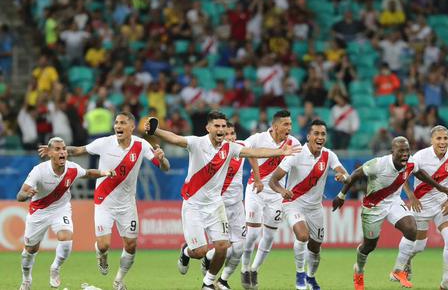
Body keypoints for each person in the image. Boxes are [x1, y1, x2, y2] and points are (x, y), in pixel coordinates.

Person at [146, 111, 300, 290]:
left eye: (223, 127)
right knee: (200, 252)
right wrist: (156, 131)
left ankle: (209, 283)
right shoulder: (197, 143)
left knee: (223, 247)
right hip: (193, 205)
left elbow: (254, 152)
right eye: (217, 126)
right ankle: (186, 251)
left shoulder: (230, 148)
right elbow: (175, 138)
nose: (220, 130)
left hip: (215, 205)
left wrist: (279, 152)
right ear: (208, 128)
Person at [38, 112, 171, 290]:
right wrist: (58, 151)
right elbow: (79, 150)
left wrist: (162, 159)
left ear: (132, 127)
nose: (118, 126)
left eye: (123, 123)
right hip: (104, 202)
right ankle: (102, 255)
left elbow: (165, 168)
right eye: (116, 123)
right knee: (104, 244)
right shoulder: (104, 143)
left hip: (127, 205)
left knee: (131, 246)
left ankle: (118, 281)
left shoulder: (141, 145)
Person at [332, 137, 448, 289]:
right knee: (369, 246)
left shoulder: (410, 162)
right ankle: (359, 271)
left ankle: (398, 270)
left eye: (407, 151)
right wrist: (341, 196)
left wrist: (440, 187)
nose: (405, 154)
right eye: (401, 151)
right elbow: (356, 174)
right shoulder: (379, 164)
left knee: (411, 229)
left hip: (394, 202)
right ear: (392, 152)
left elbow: (419, 173)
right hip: (373, 207)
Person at [18, 137, 115, 290]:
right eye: (57, 149)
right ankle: (26, 279)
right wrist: (27, 194)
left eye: (63, 148)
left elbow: (88, 173)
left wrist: (105, 172)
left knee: (66, 241)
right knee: (30, 250)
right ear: (50, 153)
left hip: (60, 209)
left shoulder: (72, 168)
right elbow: (20, 195)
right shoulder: (39, 171)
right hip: (39, 212)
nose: (62, 152)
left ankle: (55, 268)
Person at [269, 120, 349, 290]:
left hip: (315, 208)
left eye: (323, 134)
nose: (320, 137)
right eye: (316, 134)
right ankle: (300, 274)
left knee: (316, 246)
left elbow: (345, 174)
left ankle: (311, 278)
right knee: (303, 236)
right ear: (308, 136)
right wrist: (282, 191)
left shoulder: (329, 155)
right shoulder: (296, 154)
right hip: (293, 203)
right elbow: (273, 181)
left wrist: (343, 177)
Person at [240, 110, 301, 289]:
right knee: (252, 234)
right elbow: (245, 150)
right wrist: (258, 178)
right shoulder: (258, 138)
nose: (289, 128)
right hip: (255, 190)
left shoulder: (294, 143)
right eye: (285, 124)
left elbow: (300, 165)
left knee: (269, 236)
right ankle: (244, 268)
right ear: (275, 126)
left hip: (276, 194)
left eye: (290, 124)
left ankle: (254, 270)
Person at [401, 125, 448, 290]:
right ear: (432, 140)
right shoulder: (420, 157)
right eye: (439, 138)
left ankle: (446, 281)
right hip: (421, 205)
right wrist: (412, 196)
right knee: (419, 247)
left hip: (441, 204)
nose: (443, 142)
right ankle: (407, 260)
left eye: (445, 138)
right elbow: (404, 177)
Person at [200, 121, 259, 290]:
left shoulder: (240, 147)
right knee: (224, 249)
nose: (231, 137)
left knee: (239, 248)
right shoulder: (213, 153)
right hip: (218, 206)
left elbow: (253, 154)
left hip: (237, 206)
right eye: (227, 134)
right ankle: (209, 275)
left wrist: (257, 177)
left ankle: (223, 280)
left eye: (233, 133)